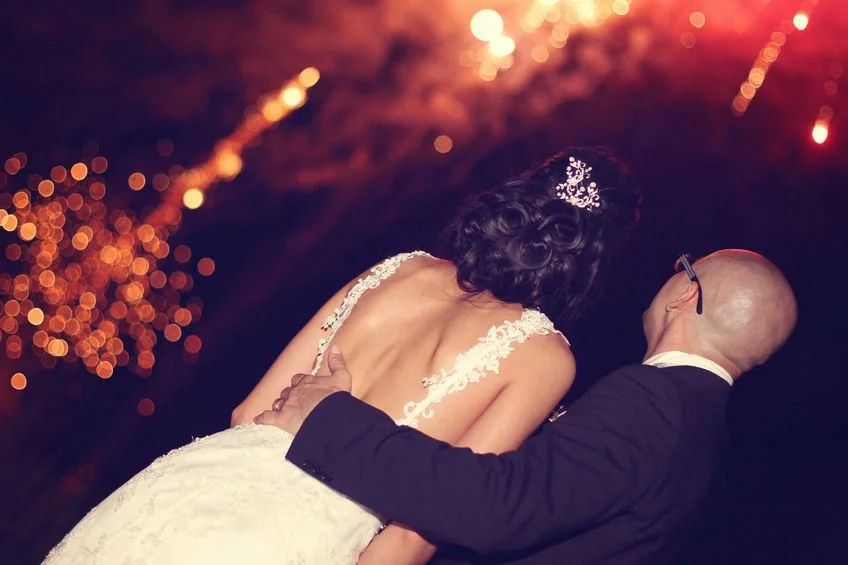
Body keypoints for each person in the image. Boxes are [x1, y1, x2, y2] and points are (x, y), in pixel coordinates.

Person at [42, 147, 641, 565]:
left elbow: (250, 411)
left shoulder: (398, 267)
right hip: (287, 540)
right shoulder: (544, 358)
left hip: (180, 493)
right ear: (591, 260)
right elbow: (417, 535)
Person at [263, 249, 798, 565]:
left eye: (684, 265)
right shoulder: (705, 438)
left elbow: (495, 507)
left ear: (687, 296)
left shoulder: (655, 403)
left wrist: (331, 416)